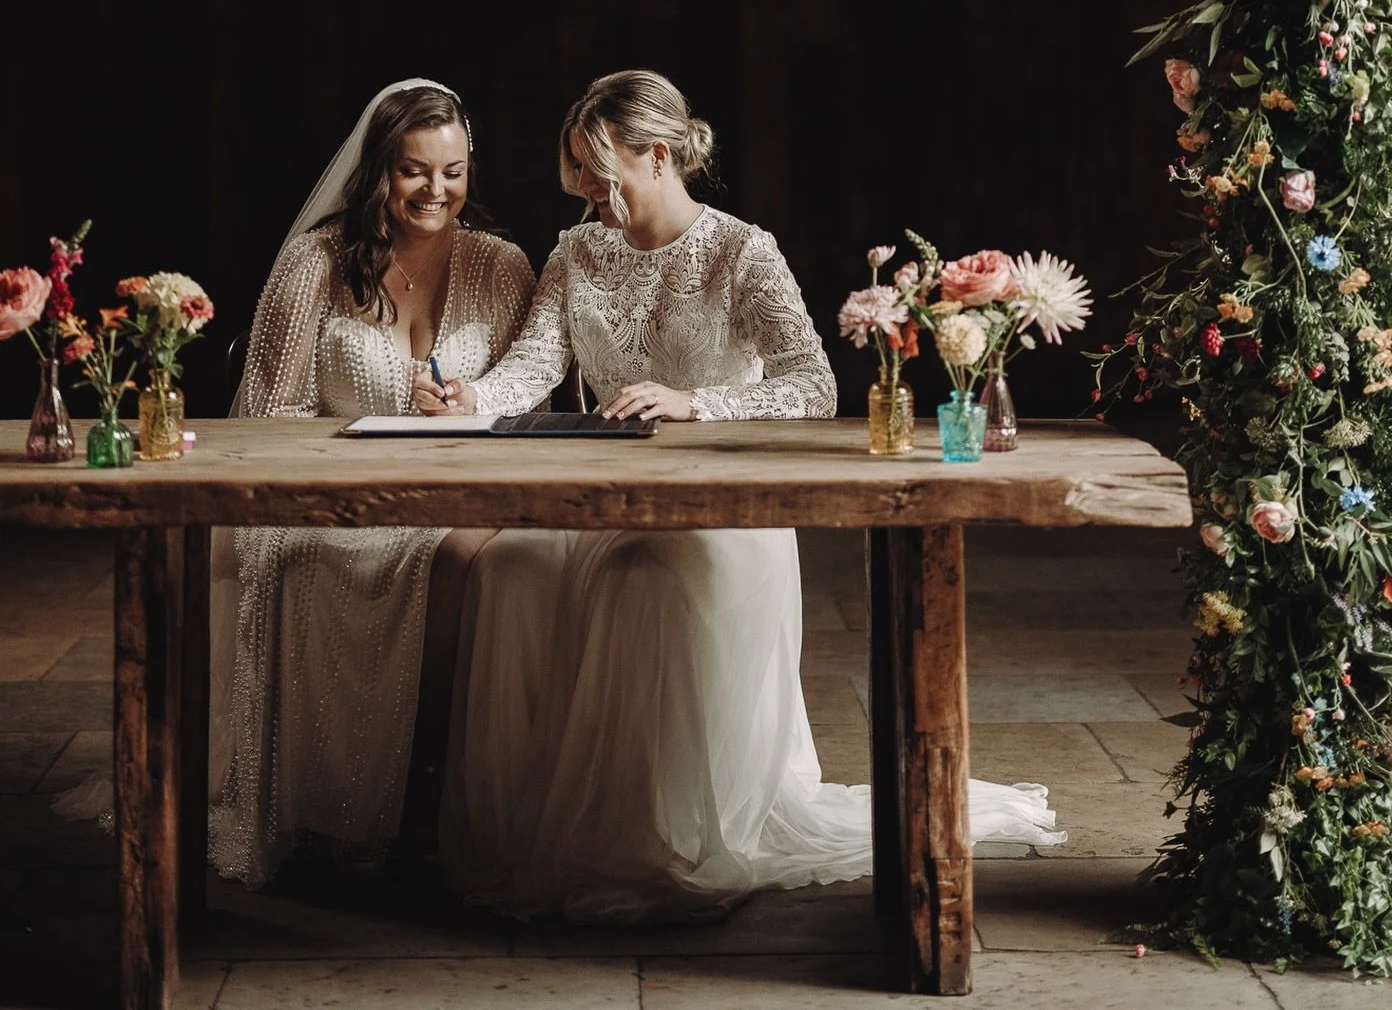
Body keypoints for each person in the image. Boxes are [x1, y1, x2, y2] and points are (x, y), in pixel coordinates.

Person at [429, 69, 1062, 926]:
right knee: (507, 569)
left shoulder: (741, 252)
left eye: (598, 170)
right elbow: (536, 363)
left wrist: (696, 402)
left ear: (659, 156)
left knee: (642, 581)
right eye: (576, 170)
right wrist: (471, 396)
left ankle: (650, 842)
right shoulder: (577, 251)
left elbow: (812, 385)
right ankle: (528, 833)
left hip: (721, 510)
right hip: (602, 495)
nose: (585, 190)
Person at [209, 79, 535, 888]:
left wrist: (469, 405)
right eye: (412, 171)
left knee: (484, 561)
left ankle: (446, 802)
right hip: (334, 497)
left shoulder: (502, 266)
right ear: (377, 170)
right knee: (374, 561)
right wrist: (365, 443)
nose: (435, 191)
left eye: (452, 172)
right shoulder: (314, 264)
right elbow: (269, 415)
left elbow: (531, 397)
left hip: (468, 490)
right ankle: (375, 807)